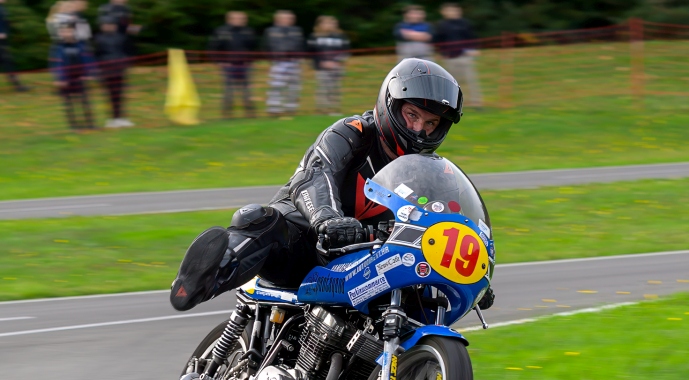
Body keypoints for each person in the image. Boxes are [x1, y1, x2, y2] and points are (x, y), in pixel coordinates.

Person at [169, 57, 495, 314]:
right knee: (257, 219)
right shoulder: (352, 133)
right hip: (305, 243)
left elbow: (447, 220)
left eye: (431, 123)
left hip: (369, 263)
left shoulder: (431, 172)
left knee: (422, 301)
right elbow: (314, 175)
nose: (420, 129)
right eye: (412, 115)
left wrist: (469, 270)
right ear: (391, 104)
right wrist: (327, 219)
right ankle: (203, 279)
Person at [209, 11, 256, 118]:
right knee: (229, 90)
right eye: (237, 18)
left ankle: (250, 113)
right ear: (229, 19)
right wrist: (219, 61)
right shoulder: (221, 31)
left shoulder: (248, 31)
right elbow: (213, 47)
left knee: (246, 90)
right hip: (229, 65)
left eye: (242, 18)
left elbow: (254, 47)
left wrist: (251, 60)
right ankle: (227, 113)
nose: (240, 20)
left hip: (245, 65)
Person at [434, 3, 481, 109]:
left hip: (465, 56)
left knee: (471, 80)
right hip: (450, 58)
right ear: (444, 12)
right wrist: (442, 53)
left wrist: (472, 49)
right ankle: (451, 104)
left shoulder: (465, 23)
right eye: (450, 10)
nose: (453, 12)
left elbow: (471, 37)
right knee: (451, 82)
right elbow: (438, 40)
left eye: (455, 10)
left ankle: (476, 102)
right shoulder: (441, 25)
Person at [49, 23, 95, 130]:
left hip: (80, 77)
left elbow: (88, 59)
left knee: (85, 102)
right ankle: (74, 126)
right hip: (65, 79)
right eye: (63, 31)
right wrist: (59, 78)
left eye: (69, 31)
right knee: (69, 104)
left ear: (74, 31)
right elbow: (56, 64)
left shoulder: (82, 45)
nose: (66, 34)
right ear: (60, 33)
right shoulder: (57, 47)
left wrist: (89, 74)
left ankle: (90, 124)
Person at [94, 16, 133, 127]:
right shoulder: (97, 39)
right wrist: (97, 70)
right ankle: (112, 118)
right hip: (105, 69)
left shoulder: (122, 37)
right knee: (110, 94)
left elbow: (127, 51)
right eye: (106, 25)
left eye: (111, 25)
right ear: (102, 26)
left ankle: (120, 117)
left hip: (119, 69)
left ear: (115, 26)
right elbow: (96, 55)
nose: (108, 27)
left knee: (120, 94)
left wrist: (125, 62)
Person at [263, 10, 304, 115]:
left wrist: (300, 58)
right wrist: (270, 59)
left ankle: (291, 108)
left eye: (290, 18)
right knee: (276, 86)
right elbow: (266, 46)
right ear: (278, 19)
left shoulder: (297, 30)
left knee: (293, 87)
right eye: (285, 18)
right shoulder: (271, 31)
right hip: (278, 61)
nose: (288, 20)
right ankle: (274, 109)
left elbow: (301, 45)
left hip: (294, 61)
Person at [307, 15, 349, 116]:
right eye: (326, 23)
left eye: (331, 23)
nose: (329, 25)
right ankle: (322, 110)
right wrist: (321, 63)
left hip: (336, 67)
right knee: (322, 89)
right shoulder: (314, 37)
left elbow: (346, 51)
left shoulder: (340, 37)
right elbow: (311, 52)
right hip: (322, 68)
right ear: (320, 25)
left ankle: (334, 109)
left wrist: (337, 61)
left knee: (335, 89)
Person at [0, 0, 28, 92]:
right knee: (8, 61)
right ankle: (18, 86)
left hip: (3, 40)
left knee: (8, 62)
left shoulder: (2, 7)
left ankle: (18, 85)